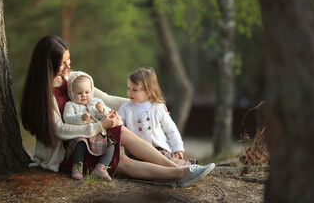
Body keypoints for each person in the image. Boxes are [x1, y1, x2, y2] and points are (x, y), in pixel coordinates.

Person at [21, 35, 215, 187]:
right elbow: (60, 130)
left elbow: (105, 98)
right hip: (71, 150)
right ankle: (181, 174)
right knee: (118, 160)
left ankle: (182, 170)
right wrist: (99, 126)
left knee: (120, 129)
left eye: (68, 60)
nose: (68, 66)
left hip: (91, 134)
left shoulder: (71, 79)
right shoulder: (44, 95)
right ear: (48, 64)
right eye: (63, 63)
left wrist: (148, 104)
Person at [118, 67, 196, 166]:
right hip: (135, 152)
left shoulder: (158, 107)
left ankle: (187, 167)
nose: (130, 93)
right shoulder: (126, 108)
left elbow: (170, 128)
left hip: (159, 149)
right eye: (128, 89)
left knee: (166, 161)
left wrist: (178, 147)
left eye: (134, 90)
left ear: (148, 92)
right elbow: (119, 125)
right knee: (141, 165)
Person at [63, 71, 118, 181]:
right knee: (80, 142)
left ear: (91, 92)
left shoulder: (96, 102)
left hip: (97, 135)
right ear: (71, 93)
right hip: (82, 134)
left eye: (87, 92)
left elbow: (107, 115)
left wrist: (101, 111)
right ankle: (77, 167)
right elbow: (67, 118)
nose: (84, 95)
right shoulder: (70, 105)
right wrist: (81, 118)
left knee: (111, 145)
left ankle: (101, 167)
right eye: (79, 93)